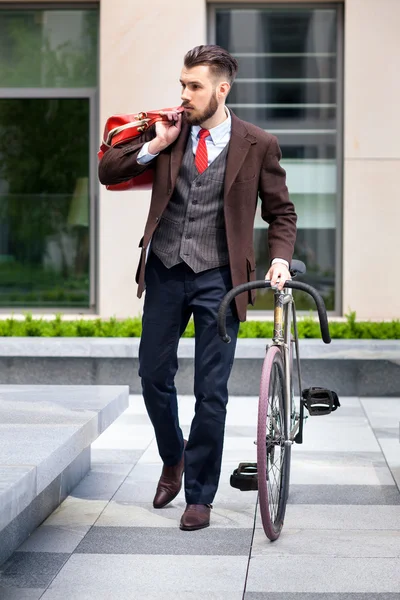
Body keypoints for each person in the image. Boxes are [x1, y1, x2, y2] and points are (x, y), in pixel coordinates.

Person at [98, 44, 297, 531]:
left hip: (221, 280)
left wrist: (279, 260)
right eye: (182, 84)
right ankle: (174, 457)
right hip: (166, 268)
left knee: (212, 392)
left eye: (194, 86)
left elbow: (281, 213)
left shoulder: (258, 143)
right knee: (152, 374)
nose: (184, 94)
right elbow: (108, 171)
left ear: (221, 89)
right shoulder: (170, 130)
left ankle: (200, 496)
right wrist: (153, 146)